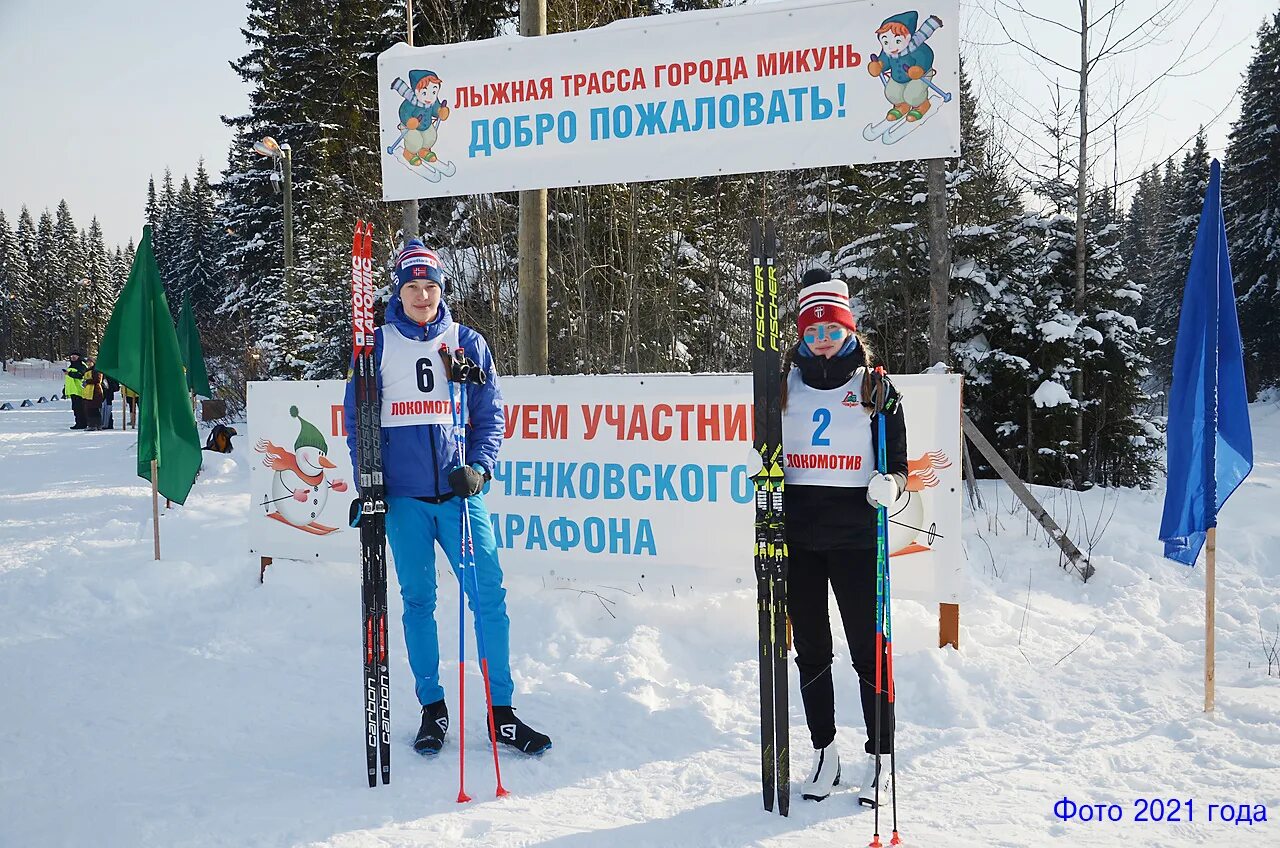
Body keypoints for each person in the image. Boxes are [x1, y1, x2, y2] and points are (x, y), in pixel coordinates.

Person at [343, 239, 551, 758]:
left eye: (430, 286)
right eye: (412, 287)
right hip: (406, 501)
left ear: (442, 290)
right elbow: (356, 423)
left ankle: (502, 713)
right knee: (418, 601)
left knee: (489, 598)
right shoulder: (377, 344)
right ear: (399, 291)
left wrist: (481, 469)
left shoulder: (467, 343)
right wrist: (369, 483)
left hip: (459, 496)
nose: (421, 296)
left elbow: (490, 416)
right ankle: (433, 708)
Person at [781, 268, 908, 806]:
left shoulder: (876, 385)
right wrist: (757, 462)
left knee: (867, 649)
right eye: (813, 332)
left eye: (831, 330)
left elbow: (900, 465)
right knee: (811, 649)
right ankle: (825, 752)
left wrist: (890, 483)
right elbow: (765, 444)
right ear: (802, 335)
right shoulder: (782, 382)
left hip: (857, 535)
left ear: (849, 328)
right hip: (799, 535)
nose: (823, 341)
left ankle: (880, 756)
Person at [63, 351, 88, 429]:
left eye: (75, 356)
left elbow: (81, 375)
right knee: (76, 408)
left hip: (79, 390)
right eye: (72, 356)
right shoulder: (71, 366)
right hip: (73, 391)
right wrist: (65, 389)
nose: (73, 358)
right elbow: (69, 380)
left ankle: (82, 423)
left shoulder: (82, 365)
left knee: (80, 408)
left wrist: (70, 374)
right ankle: (78, 423)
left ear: (79, 357)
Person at [82, 358, 104, 432]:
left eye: (90, 362)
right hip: (88, 392)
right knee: (90, 409)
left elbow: (97, 380)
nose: (88, 363)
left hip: (95, 392)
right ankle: (92, 424)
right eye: (87, 362)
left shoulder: (96, 370)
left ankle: (96, 425)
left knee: (94, 409)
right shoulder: (88, 370)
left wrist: (87, 381)